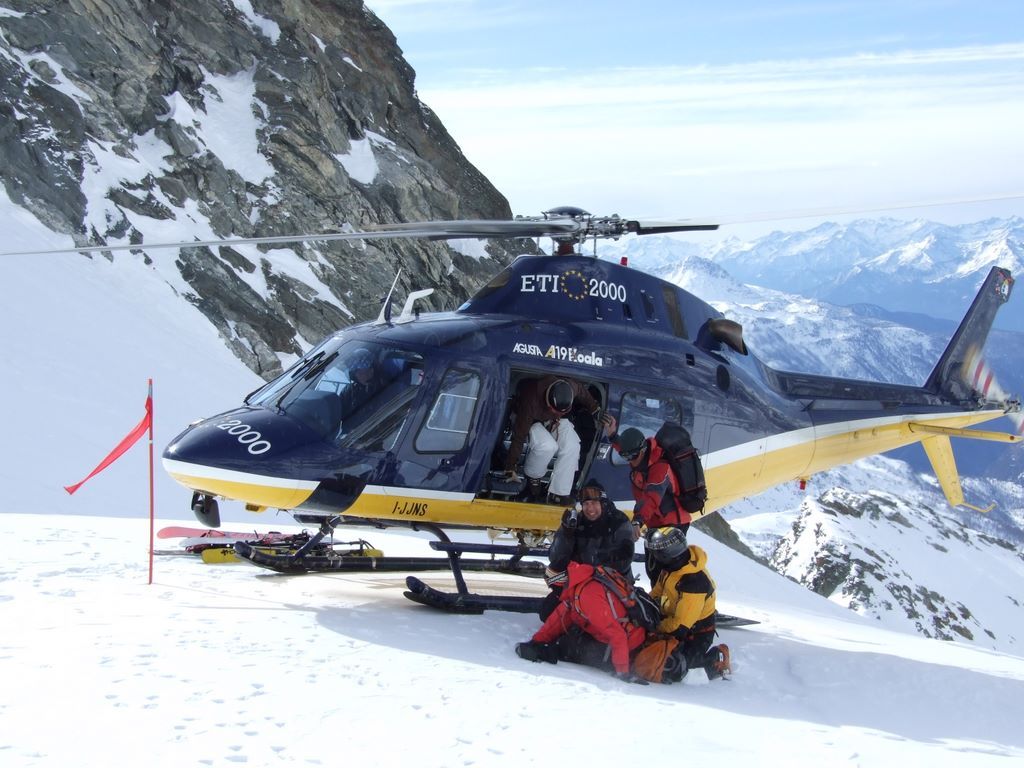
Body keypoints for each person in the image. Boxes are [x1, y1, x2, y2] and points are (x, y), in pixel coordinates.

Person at [515, 561, 648, 684]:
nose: (552, 591)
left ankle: (542, 654)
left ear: (559, 582)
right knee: (570, 636)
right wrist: (536, 641)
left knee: (572, 648)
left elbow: (617, 634)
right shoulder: (578, 586)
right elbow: (559, 618)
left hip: (629, 642)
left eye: (551, 586)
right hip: (615, 638)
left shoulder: (588, 596)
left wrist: (622, 671)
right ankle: (539, 649)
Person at [539, 480, 636, 620]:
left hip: (613, 586)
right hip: (579, 585)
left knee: (597, 619)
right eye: (586, 504)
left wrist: (589, 572)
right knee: (547, 613)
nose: (590, 508)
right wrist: (566, 534)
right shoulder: (576, 521)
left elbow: (624, 560)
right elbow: (555, 558)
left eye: (594, 503)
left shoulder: (619, 521)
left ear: (603, 503)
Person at [503, 376, 606, 505]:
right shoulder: (531, 398)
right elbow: (519, 436)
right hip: (532, 420)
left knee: (573, 445)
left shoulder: (571, 387)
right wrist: (510, 467)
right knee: (547, 445)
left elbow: (582, 392)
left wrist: (595, 410)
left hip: (553, 420)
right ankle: (532, 484)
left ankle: (559, 493)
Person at [645, 526, 730, 682]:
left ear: (668, 554)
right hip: (670, 619)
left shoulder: (694, 581)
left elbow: (680, 626)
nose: (656, 557)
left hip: (696, 633)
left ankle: (714, 659)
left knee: (673, 668)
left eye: (658, 552)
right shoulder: (671, 569)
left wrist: (654, 626)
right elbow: (655, 593)